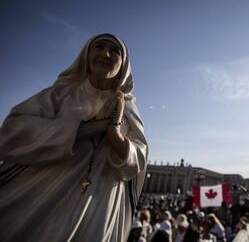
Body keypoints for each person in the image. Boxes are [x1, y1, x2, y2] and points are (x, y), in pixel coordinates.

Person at [0, 33, 149, 241]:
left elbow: (136, 163)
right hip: (46, 194)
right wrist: (86, 129)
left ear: (124, 66)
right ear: (86, 55)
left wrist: (114, 132)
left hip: (98, 203)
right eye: (99, 47)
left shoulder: (128, 107)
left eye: (115, 51)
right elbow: (12, 132)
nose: (105, 54)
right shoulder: (60, 94)